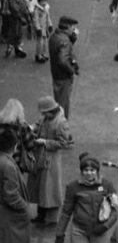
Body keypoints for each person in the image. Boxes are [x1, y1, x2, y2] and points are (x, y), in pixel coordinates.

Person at [28, 96, 73, 226]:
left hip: (51, 159)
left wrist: (45, 142)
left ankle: (52, 218)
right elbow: (38, 124)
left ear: (51, 110)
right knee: (40, 187)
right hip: (40, 156)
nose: (43, 115)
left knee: (50, 189)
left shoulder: (61, 123)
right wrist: (31, 128)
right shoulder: (46, 118)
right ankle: (41, 214)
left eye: (45, 112)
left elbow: (64, 143)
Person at [0, 127, 30, 243]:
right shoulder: (8, 165)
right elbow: (11, 195)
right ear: (15, 145)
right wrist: (24, 207)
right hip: (6, 217)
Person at [49, 15, 79, 118]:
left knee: (59, 101)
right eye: (73, 27)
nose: (74, 30)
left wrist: (73, 37)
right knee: (63, 105)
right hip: (64, 76)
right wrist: (71, 70)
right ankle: (62, 127)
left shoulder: (55, 36)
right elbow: (62, 60)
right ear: (68, 27)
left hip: (56, 74)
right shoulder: (65, 40)